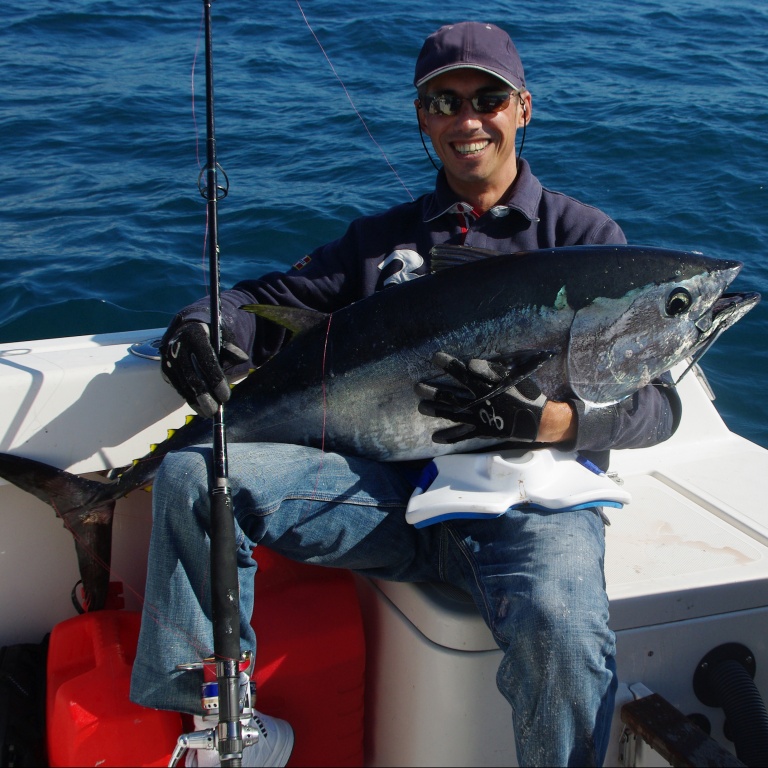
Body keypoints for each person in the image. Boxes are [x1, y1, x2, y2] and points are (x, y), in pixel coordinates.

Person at [130, 21, 681, 767]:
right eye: (442, 101)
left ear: (523, 107)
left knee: (564, 623)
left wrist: (547, 421)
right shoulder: (380, 244)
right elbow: (265, 303)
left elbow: (658, 409)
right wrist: (196, 326)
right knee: (197, 475)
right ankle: (215, 722)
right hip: (386, 499)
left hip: (529, 515)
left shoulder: (580, 238)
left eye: (486, 98)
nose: (466, 119)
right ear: (422, 118)